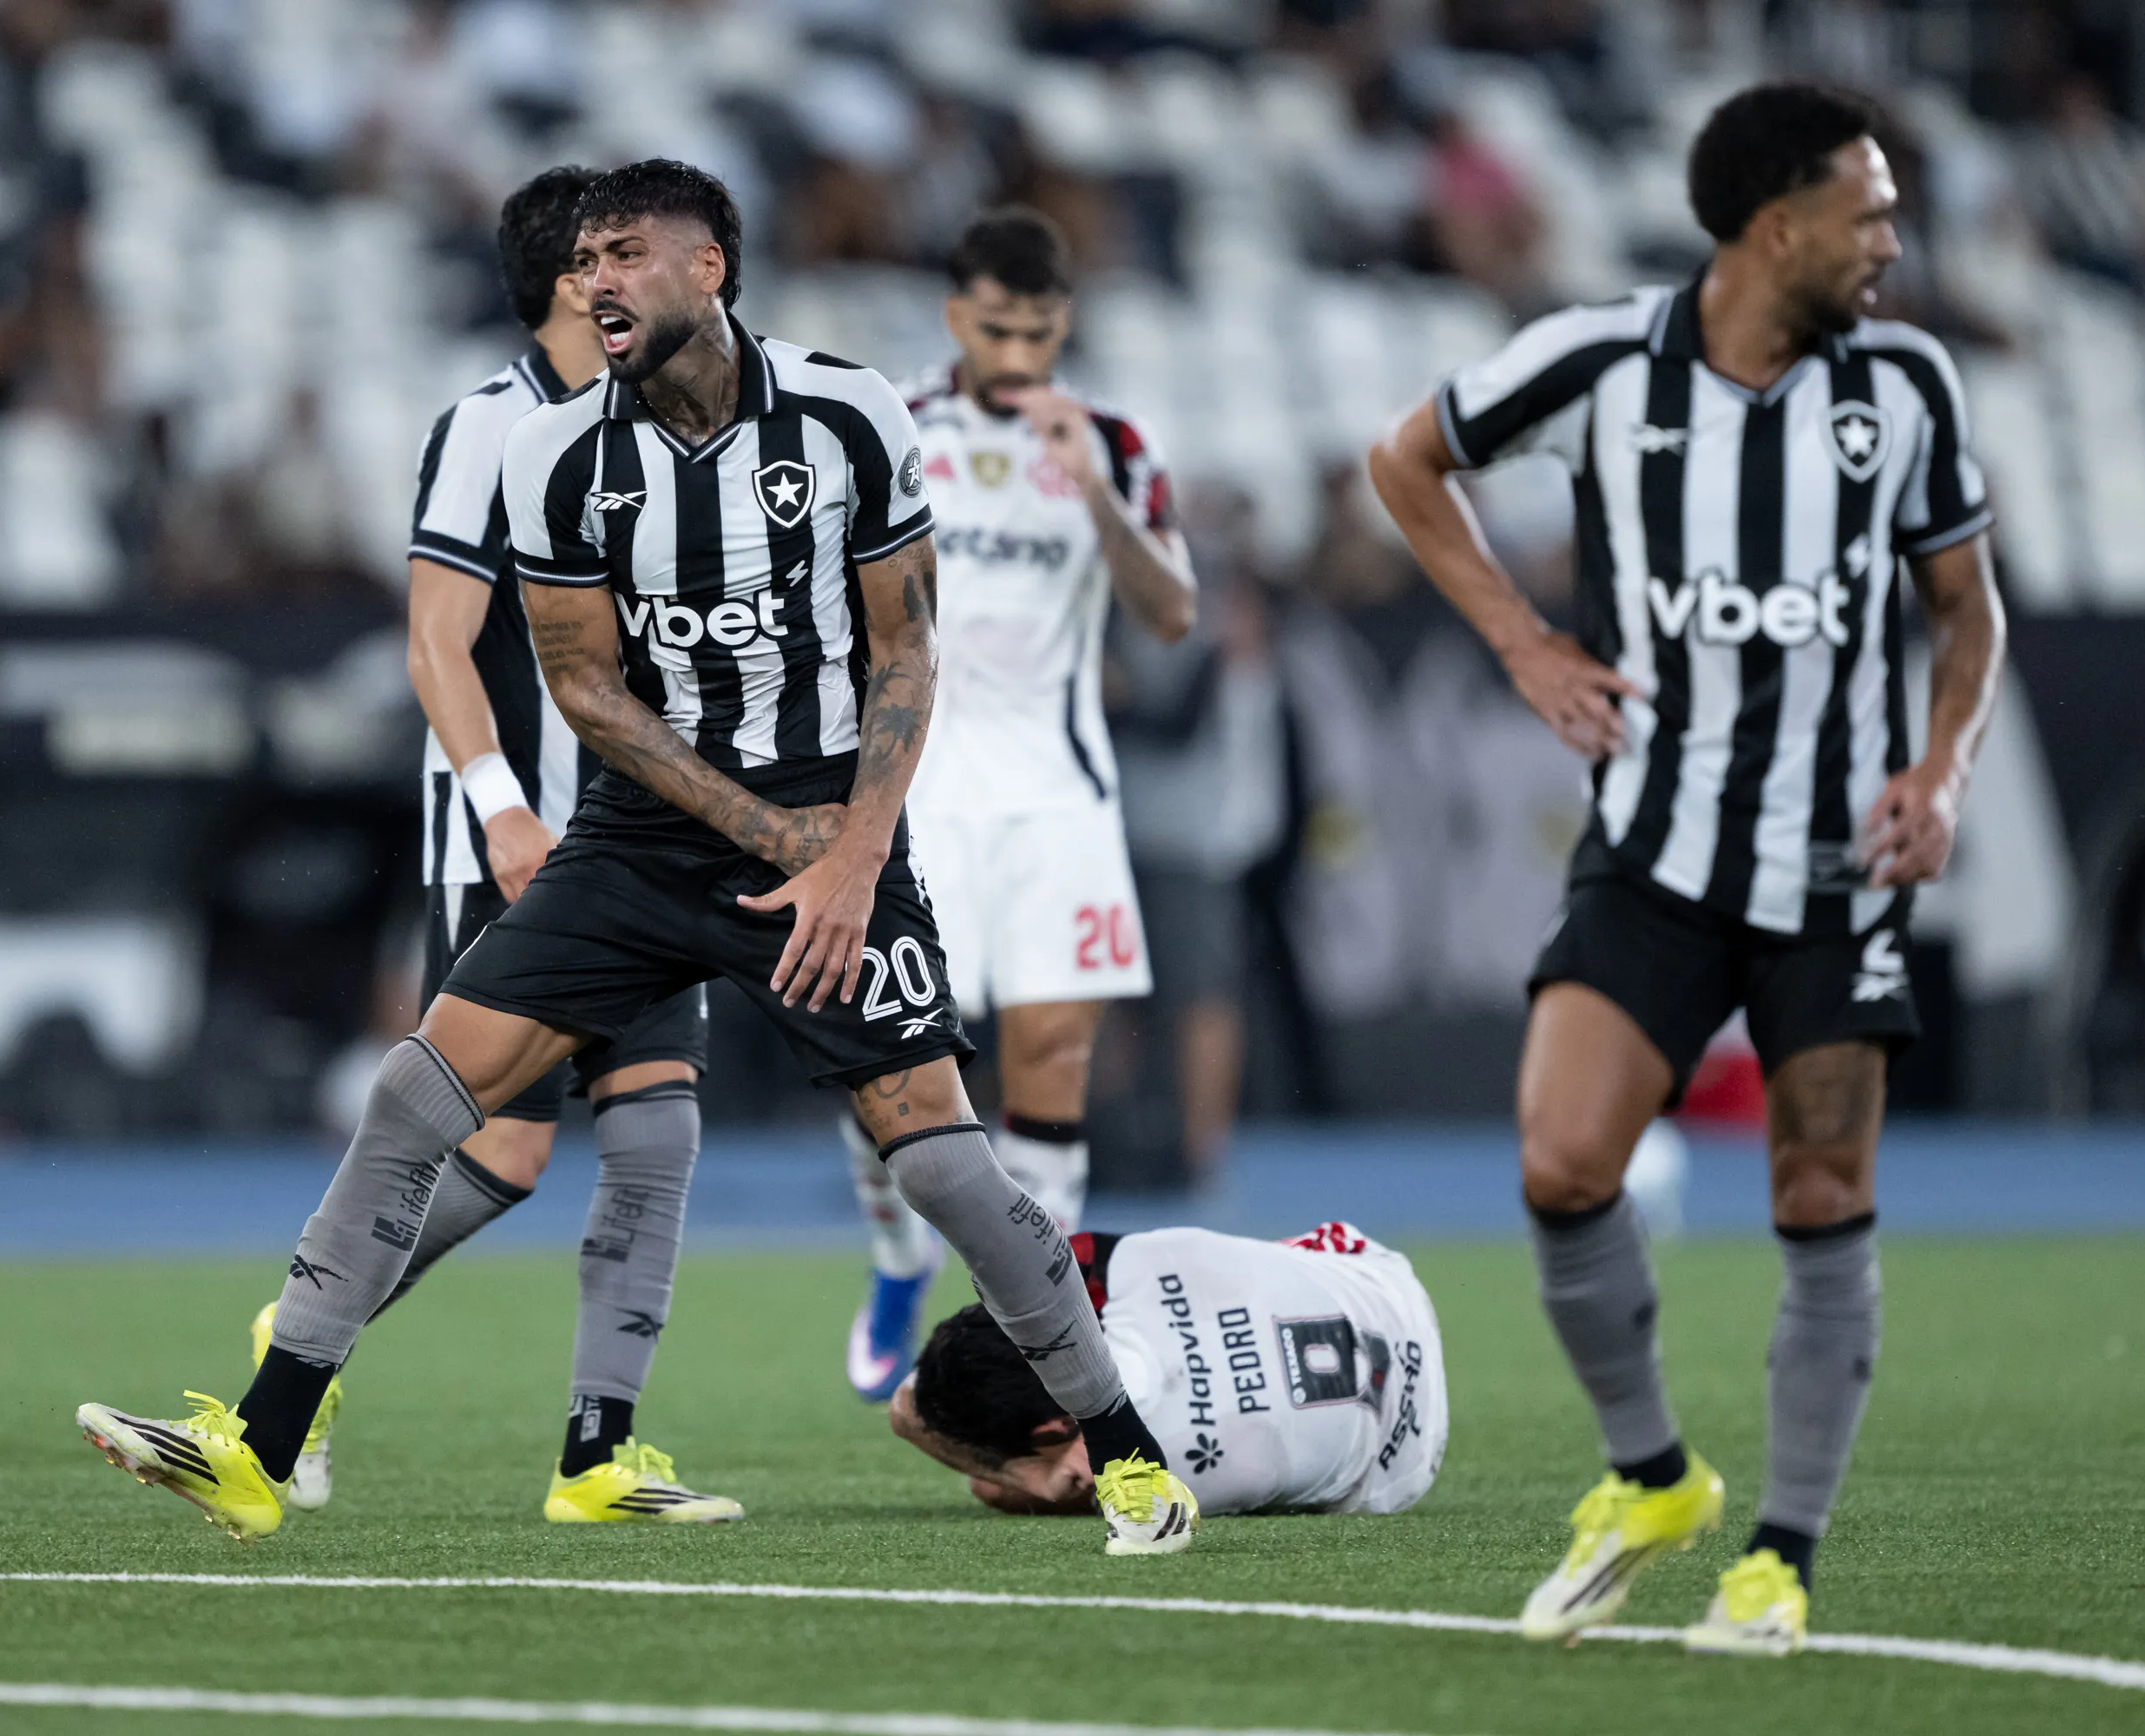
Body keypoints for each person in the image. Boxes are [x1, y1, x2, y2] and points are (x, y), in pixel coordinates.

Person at [77, 159, 1197, 1557]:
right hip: (641, 838)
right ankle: (263, 1442)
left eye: (625, 253)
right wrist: (751, 830)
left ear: (710, 267)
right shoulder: (558, 457)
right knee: (417, 1094)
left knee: (945, 1167)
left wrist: (848, 854)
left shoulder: (851, 416)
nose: (597, 279)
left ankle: (1133, 1459)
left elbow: (909, 650)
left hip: (828, 828)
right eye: (584, 258)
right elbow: (588, 688)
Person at [1366, 83, 2004, 1658]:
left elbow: (1967, 613)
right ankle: (1653, 1477)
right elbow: (1405, 462)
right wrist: (1522, 640)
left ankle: (1778, 1561)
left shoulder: (1906, 385)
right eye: (1866, 212)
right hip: (1653, 851)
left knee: (1820, 1190)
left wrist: (1943, 772)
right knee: (1563, 1161)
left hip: (1838, 865)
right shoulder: (1598, 361)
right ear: (1775, 224)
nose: (1890, 240)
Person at [234, 166, 726, 1523]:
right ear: (570, 279)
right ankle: (301, 1337)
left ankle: (597, 1453)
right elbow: (435, 642)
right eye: (607, 252)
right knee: (502, 1151)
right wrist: (503, 802)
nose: (628, 272)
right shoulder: (488, 426)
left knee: (654, 1135)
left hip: (648, 842)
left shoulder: (669, 424)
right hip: (518, 841)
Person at [843, 207, 1196, 1403]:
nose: (1020, 354)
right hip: (920, 793)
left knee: (1051, 1055)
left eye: (1041, 332)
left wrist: (1092, 488)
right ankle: (898, 1256)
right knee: (891, 1064)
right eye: (998, 329)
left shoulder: (1111, 440)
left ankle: (1034, 1343)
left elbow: (1171, 613)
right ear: (957, 319)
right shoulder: (893, 424)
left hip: (1058, 800)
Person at [894, 1220, 1444, 1520]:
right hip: (1385, 1287)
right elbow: (1040, 1271)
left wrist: (1026, 1475)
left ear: (1053, 1429)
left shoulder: (1136, 1475)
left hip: (1400, 1472)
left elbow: (909, 1419)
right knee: (1229, 1267)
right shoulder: (1122, 1267)